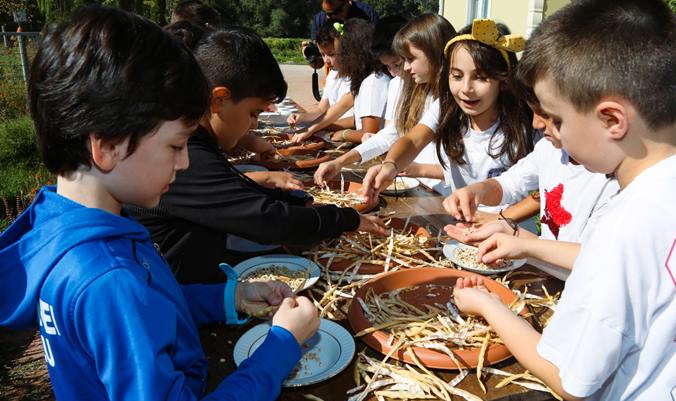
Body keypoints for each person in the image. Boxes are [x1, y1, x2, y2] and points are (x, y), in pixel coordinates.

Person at [0, 6, 320, 400]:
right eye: (176, 145)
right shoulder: (108, 280)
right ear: (109, 146)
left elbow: (150, 306)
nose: (184, 161)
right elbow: (130, 305)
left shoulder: (72, 226)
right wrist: (281, 347)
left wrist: (228, 297)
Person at [453, 1, 676, 399]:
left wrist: (487, 306)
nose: (548, 130)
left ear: (612, 120)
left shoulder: (623, 228)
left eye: (556, 119)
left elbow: (570, 380)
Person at [129, 27, 387, 284]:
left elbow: (235, 189)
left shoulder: (191, 138)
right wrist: (345, 219)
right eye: (252, 114)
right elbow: (268, 221)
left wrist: (300, 203)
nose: (253, 126)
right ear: (218, 99)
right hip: (175, 293)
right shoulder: (182, 153)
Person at [442, 80, 619, 279]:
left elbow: (593, 260)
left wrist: (519, 240)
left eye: (547, 114)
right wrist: (478, 191)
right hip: (549, 276)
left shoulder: (613, 180)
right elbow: (509, 183)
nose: (536, 123)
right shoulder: (548, 149)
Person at [361, 20, 537, 199]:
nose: (466, 89)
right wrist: (391, 165)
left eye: (481, 77)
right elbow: (413, 140)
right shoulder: (447, 107)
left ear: (504, 79)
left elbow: (541, 186)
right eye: (457, 76)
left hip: (508, 224)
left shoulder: (527, 122)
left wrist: (502, 219)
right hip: (463, 222)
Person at [313, 13, 456, 188]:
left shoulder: (454, 99)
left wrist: (403, 167)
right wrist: (341, 161)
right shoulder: (417, 89)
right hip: (424, 187)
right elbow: (396, 134)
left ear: (434, 53)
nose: (405, 67)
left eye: (409, 59)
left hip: (445, 194)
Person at [293, 18, 390, 144]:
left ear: (355, 54)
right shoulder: (364, 79)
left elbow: (369, 135)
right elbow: (350, 114)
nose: (338, 59)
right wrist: (314, 126)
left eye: (339, 54)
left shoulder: (372, 83)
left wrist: (344, 134)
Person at [288, 19, 354, 129]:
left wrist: (320, 126)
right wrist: (301, 117)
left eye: (331, 54)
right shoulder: (332, 75)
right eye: (322, 54)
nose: (326, 60)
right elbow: (321, 109)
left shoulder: (356, 77)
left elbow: (355, 120)